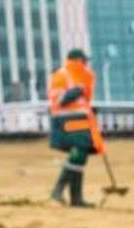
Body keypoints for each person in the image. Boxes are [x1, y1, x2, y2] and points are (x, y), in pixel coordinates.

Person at [47, 49, 105, 208]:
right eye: (84, 61)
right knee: (78, 152)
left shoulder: (80, 76)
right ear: (78, 60)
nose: (86, 64)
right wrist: (77, 91)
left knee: (82, 154)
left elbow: (81, 100)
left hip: (80, 121)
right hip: (66, 121)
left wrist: (88, 108)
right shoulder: (61, 75)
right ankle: (57, 190)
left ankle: (76, 198)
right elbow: (60, 99)